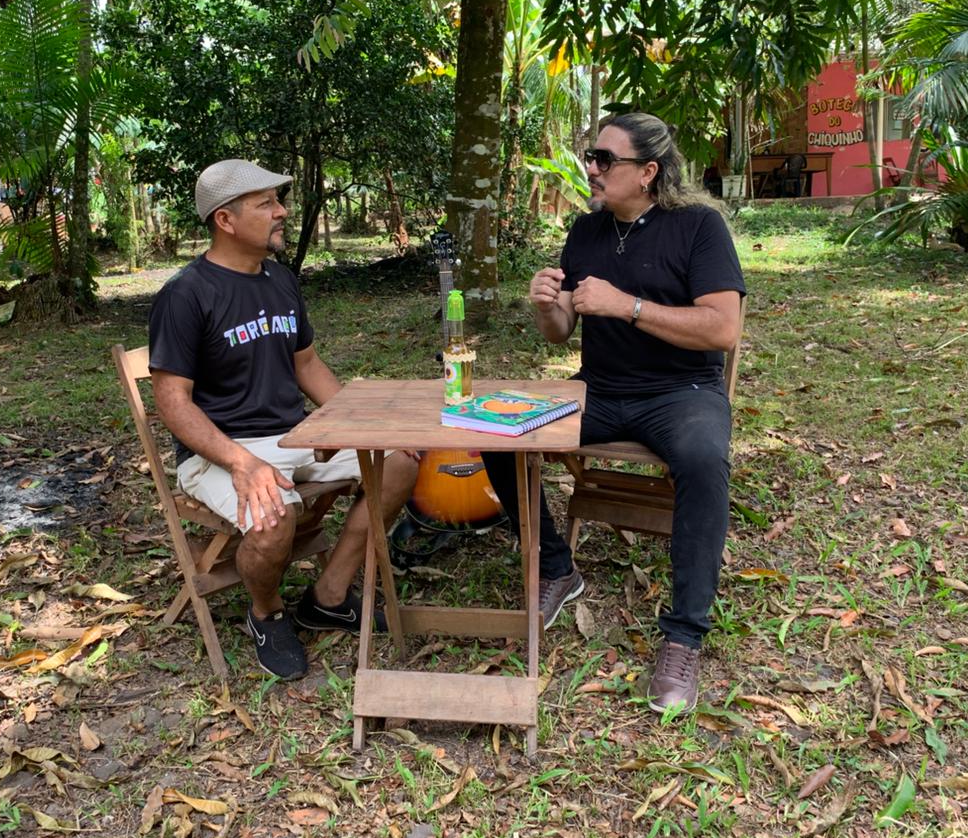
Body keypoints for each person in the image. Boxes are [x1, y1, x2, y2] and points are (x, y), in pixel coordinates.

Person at [481, 112, 745, 714]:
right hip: (598, 390)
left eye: (605, 160)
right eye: (591, 158)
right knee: (495, 433)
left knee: (705, 461)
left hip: (682, 392)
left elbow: (722, 329)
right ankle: (557, 568)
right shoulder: (587, 231)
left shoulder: (698, 228)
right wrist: (546, 305)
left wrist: (628, 305)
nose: (591, 169)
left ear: (648, 172)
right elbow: (560, 332)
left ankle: (684, 635)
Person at [148, 159, 418, 680]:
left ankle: (328, 595)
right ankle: (267, 611)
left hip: (293, 437)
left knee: (400, 464)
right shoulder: (185, 295)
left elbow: (308, 365)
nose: (282, 212)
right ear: (226, 220)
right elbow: (174, 402)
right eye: (267, 204)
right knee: (274, 519)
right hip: (221, 451)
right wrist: (242, 463)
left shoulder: (279, 279)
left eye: (279, 200)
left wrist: (358, 428)